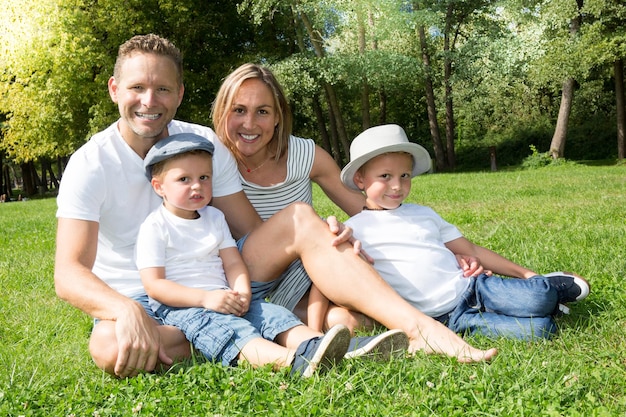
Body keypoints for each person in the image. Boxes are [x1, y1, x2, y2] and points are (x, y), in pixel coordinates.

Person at [54, 35, 495, 380]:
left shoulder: (203, 146)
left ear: (180, 93)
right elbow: (69, 273)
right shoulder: (90, 164)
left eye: (162, 88)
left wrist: (319, 241)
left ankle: (423, 330)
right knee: (108, 348)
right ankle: (287, 345)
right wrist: (126, 311)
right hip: (144, 297)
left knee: (305, 226)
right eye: (137, 87)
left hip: (225, 282)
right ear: (115, 89)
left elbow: (252, 232)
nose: (149, 101)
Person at [210, 63, 489, 334]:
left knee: (352, 323)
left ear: (278, 116)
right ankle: (421, 327)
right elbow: (253, 233)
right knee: (301, 217)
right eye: (238, 110)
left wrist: (449, 251)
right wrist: (315, 229)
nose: (250, 123)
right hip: (246, 272)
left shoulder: (305, 155)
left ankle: (285, 318)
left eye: (262, 111)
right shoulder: (207, 160)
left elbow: (374, 210)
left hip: (306, 274)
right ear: (223, 112)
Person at [339, 124, 591, 340]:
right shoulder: (355, 230)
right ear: (360, 180)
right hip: (448, 319)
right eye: (385, 176)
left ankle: (543, 287)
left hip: (475, 287)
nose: (397, 185)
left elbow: (469, 250)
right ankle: (532, 307)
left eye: (404, 175)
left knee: (541, 296)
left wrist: (525, 273)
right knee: (542, 331)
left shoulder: (424, 214)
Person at [136, 133, 355, 377]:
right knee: (230, 331)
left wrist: (242, 292)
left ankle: (326, 346)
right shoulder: (155, 227)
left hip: (224, 296)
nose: (196, 185)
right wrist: (204, 299)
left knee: (273, 316)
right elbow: (155, 285)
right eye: (184, 179)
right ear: (159, 186)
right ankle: (293, 362)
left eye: (204, 177)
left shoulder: (214, 217)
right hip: (183, 306)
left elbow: (232, 261)